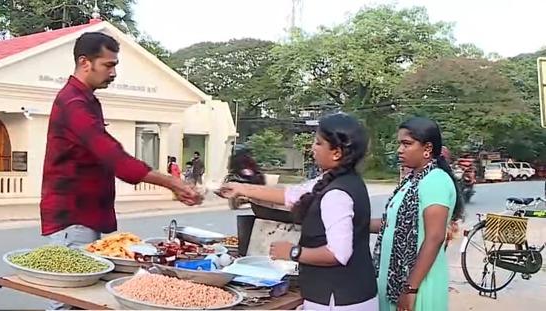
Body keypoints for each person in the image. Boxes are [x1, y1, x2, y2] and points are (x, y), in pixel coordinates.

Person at [39, 32, 202, 309]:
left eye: (115, 65)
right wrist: (172, 183)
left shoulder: (87, 100)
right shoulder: (73, 102)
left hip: (86, 213)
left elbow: (107, 153)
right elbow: (112, 156)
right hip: (72, 216)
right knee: (73, 300)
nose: (114, 72)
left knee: (83, 299)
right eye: (108, 65)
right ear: (84, 62)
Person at [220, 113, 378, 310]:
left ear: (336, 152)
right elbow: (290, 194)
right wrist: (241, 188)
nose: (312, 148)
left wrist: (293, 252)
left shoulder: (337, 194)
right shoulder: (338, 180)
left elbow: (338, 254)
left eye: (318, 143)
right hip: (340, 294)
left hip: (339, 298)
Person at [371, 117, 462, 311]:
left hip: (419, 284)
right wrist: (355, 221)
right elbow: (391, 225)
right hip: (395, 282)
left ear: (427, 148)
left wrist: (410, 289)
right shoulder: (412, 181)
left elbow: (435, 237)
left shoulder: (435, 180)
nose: (399, 150)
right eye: (400, 144)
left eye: (407, 144)